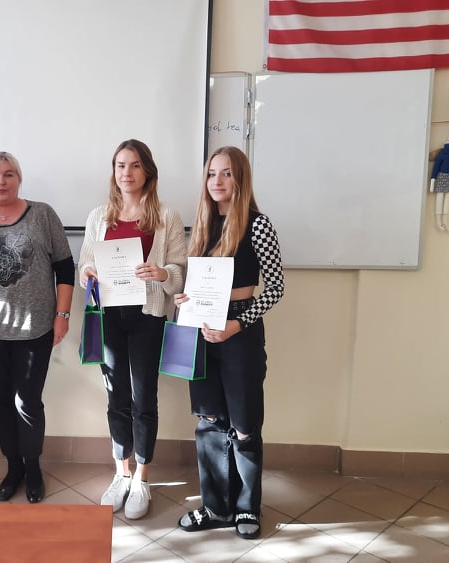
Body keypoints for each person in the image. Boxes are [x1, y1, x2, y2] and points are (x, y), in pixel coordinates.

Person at [176, 146, 284, 539]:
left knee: (244, 425)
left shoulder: (258, 225)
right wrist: (184, 299)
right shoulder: (202, 224)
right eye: (211, 174)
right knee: (209, 421)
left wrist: (237, 324)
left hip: (240, 334)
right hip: (203, 332)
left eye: (226, 174)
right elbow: (197, 284)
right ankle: (215, 507)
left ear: (240, 179)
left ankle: (246, 508)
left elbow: (276, 289)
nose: (217, 181)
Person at [78, 139, 187, 520]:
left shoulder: (167, 216)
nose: (127, 172)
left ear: (148, 172)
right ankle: (121, 472)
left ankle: (142, 477)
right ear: (114, 171)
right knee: (116, 396)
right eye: (121, 165)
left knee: (144, 398)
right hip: (109, 316)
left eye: (135, 165)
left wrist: (162, 273)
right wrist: (88, 274)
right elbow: (85, 265)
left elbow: (179, 273)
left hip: (148, 316)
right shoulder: (99, 216)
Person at [0, 151, 74, 504]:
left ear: (19, 179)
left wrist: (62, 315)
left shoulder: (42, 214)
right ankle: (13, 468)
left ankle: (33, 467)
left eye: (9, 174)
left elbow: (65, 268)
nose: (1, 181)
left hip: (34, 329)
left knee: (27, 402)